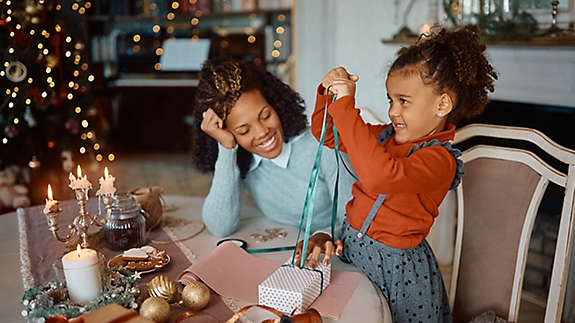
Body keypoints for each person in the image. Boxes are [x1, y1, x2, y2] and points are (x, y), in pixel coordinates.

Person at [299, 25, 497, 322]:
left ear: (442, 104)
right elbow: (327, 135)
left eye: (403, 101)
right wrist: (327, 95)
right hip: (354, 249)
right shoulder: (385, 138)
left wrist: (346, 108)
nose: (392, 111)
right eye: (390, 99)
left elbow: (382, 176)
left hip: (399, 276)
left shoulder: (439, 160)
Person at [190, 58, 354, 254]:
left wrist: (325, 235)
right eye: (243, 130)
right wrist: (226, 148)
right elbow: (220, 226)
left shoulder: (323, 145)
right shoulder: (242, 161)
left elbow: (356, 217)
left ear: (275, 103)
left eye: (265, 115)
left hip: (337, 253)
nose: (261, 133)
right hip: (284, 251)